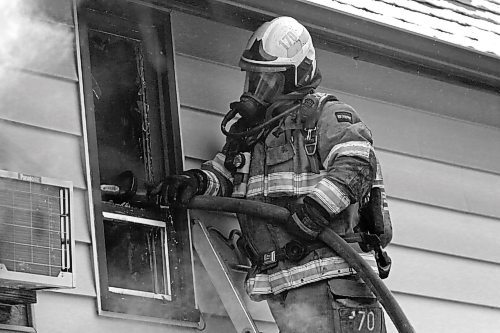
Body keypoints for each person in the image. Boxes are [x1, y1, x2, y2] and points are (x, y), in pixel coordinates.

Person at [164, 16, 392, 333]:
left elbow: (358, 163)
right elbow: (225, 176)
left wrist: (315, 210)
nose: (257, 89)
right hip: (284, 285)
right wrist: (195, 182)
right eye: (253, 78)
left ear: (294, 77)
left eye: (267, 79)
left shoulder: (325, 117)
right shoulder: (252, 135)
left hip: (332, 280)